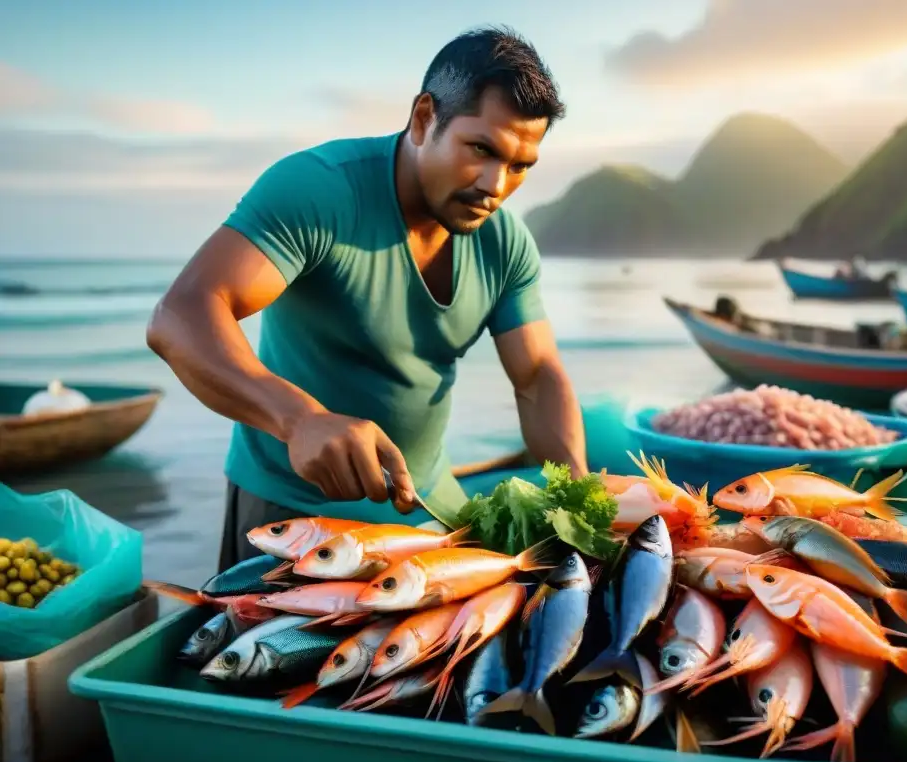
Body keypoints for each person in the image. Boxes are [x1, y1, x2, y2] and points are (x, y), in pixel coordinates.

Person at [147, 26, 589, 570]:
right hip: (296, 515)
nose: (496, 185)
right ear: (425, 117)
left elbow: (538, 375)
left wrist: (579, 502)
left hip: (431, 511)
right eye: (481, 149)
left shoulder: (504, 242)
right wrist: (299, 420)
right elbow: (182, 315)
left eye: (521, 165)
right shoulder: (318, 190)